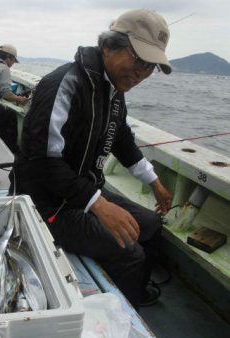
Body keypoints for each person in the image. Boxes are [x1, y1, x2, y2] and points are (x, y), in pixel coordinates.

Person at [11, 9, 173, 310]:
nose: (142, 73)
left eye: (151, 67)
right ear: (108, 46)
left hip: (82, 191)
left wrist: (154, 181)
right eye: (138, 59)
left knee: (150, 224)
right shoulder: (63, 85)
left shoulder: (113, 89)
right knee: (131, 251)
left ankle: (130, 283)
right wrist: (97, 205)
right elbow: (41, 161)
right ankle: (122, 312)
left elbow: (120, 137)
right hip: (45, 204)